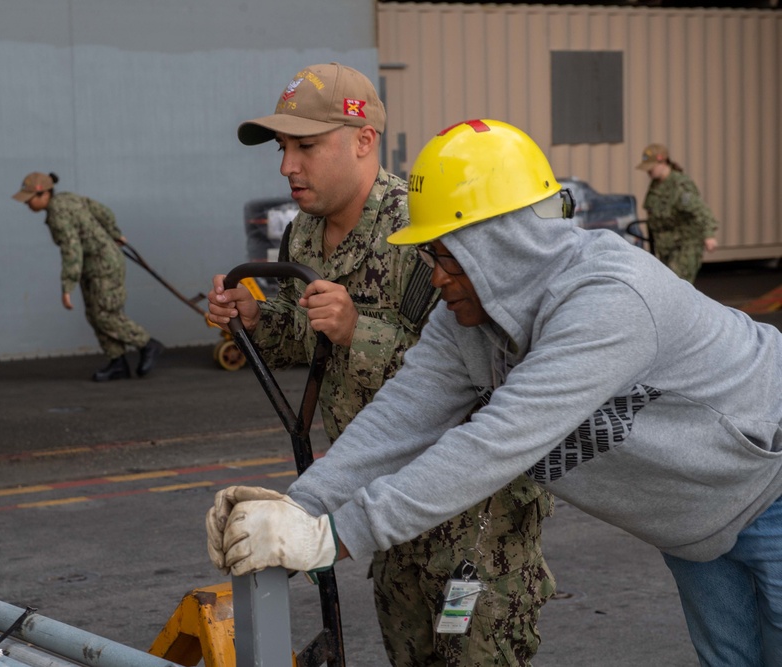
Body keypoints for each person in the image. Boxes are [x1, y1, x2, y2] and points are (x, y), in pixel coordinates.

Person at [207, 119, 782, 667]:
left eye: (448, 257)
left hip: (769, 485)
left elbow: (495, 442)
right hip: (695, 518)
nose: (435, 277)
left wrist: (333, 536)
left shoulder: (611, 300)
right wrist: (296, 505)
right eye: (431, 257)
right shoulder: (467, 323)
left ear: (503, 247)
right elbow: (400, 419)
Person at [206, 66, 554, 666]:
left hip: (470, 520)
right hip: (377, 505)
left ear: (363, 140)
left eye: (305, 146)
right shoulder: (305, 237)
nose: (287, 166)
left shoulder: (423, 228)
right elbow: (308, 346)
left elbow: (482, 371)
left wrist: (356, 330)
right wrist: (259, 322)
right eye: (283, 148)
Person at [12, 172, 163, 381]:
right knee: (95, 314)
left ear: (45, 194)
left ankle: (147, 344)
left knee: (104, 315)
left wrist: (67, 286)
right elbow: (102, 211)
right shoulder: (68, 198)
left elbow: (71, 250)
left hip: (103, 265)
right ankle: (117, 361)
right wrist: (114, 233)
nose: (27, 204)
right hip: (93, 265)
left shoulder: (58, 214)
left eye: (30, 199)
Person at [637, 143, 719, 282]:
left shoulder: (680, 185)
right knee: (667, 286)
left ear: (662, 162)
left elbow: (700, 210)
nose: (648, 171)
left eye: (651, 167)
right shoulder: (656, 184)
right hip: (666, 247)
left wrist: (709, 235)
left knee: (676, 286)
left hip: (685, 246)